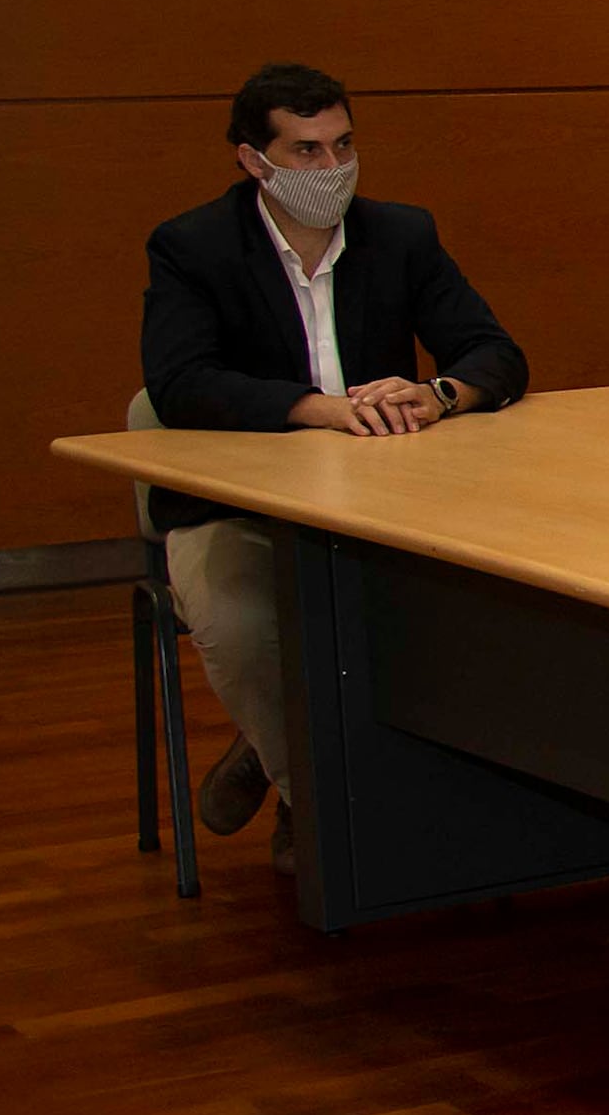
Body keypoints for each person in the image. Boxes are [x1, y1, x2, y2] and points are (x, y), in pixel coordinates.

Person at [137, 62, 530, 837]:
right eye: (307, 151)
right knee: (241, 622)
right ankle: (313, 809)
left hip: (387, 505)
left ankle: (296, 751)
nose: (332, 168)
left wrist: (439, 392)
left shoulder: (400, 234)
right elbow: (178, 382)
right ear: (254, 160)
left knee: (484, 612)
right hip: (236, 505)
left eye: (343, 145)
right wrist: (311, 408)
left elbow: (495, 352)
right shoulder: (195, 246)